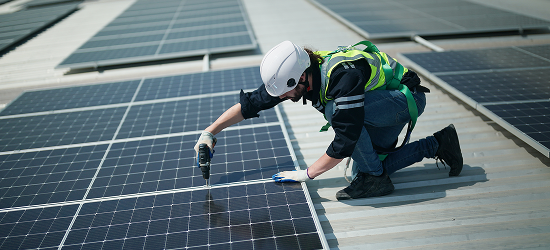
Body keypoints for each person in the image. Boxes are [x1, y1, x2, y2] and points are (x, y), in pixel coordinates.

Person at [194, 40, 463, 200]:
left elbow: (346, 138)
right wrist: (210, 132)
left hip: (405, 100)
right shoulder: (301, 75)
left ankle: (377, 177)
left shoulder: (340, 79)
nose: (284, 97)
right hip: (379, 104)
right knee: (365, 171)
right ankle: (438, 143)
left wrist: (306, 174)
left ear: (300, 78)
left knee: (340, 116)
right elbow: (253, 102)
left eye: (286, 92)